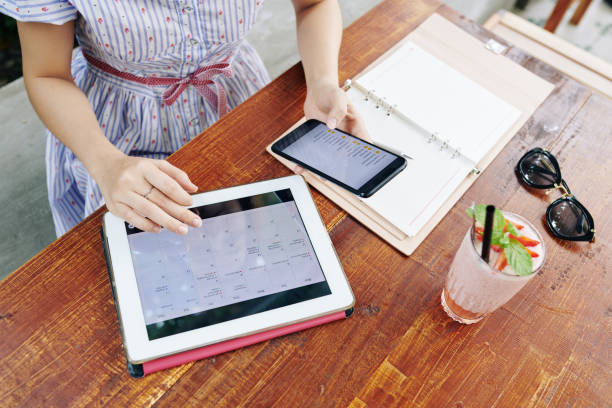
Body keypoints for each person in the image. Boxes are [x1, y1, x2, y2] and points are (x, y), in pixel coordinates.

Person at [2, 0, 366, 237]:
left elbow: (313, 5)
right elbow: (47, 75)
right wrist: (106, 163)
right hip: (114, 126)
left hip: (234, 102)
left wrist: (321, 82)